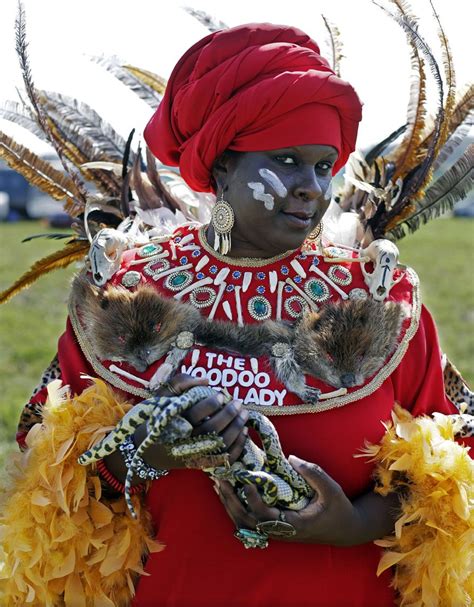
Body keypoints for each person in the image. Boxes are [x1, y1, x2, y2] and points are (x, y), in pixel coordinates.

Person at [4, 22, 473, 607]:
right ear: (222, 167)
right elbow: (43, 463)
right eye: (287, 159)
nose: (311, 186)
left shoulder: (379, 301)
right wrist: (137, 455)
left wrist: (352, 524)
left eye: (324, 165)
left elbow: (459, 463)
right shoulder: (124, 292)